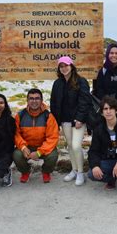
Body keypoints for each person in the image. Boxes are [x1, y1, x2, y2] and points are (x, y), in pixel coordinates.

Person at [50, 56, 91, 186]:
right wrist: (56, 122)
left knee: (76, 145)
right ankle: (74, 170)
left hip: (78, 120)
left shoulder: (81, 81)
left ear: (72, 66)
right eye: (61, 66)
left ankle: (80, 173)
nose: (64, 68)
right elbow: (54, 102)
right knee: (69, 146)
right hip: (64, 120)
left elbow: (85, 101)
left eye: (66, 65)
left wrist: (80, 118)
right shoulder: (57, 83)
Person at [13, 88, 59, 183]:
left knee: (53, 155)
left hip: (43, 146)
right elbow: (16, 134)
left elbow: (52, 138)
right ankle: (25, 172)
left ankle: (46, 171)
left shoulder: (48, 116)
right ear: (27, 100)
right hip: (27, 147)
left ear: (41, 100)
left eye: (37, 98)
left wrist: (39, 152)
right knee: (16, 155)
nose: (34, 101)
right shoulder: (20, 115)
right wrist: (23, 147)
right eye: (31, 98)